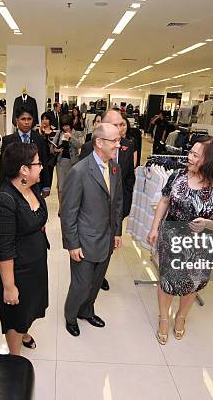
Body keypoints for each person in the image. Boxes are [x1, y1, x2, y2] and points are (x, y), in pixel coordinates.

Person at [147, 137, 213, 345]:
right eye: (191, 152)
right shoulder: (178, 175)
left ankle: (181, 317)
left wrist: (207, 223)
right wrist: (154, 227)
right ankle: (163, 317)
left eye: (196, 155)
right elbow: (164, 200)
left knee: (192, 283)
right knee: (167, 281)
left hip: (201, 246)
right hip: (172, 239)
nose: (189, 157)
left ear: (211, 161)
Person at [61, 123, 123, 337]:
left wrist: (117, 232)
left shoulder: (115, 166)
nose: (118, 144)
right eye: (114, 141)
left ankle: (87, 311)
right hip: (85, 241)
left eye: (118, 140)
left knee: (96, 283)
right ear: (99, 142)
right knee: (81, 284)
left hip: (106, 239)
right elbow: (68, 211)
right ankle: (70, 315)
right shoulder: (79, 171)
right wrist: (72, 244)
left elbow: (117, 202)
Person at [0, 142, 49, 355]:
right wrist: (9, 286)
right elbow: (4, 250)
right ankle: (15, 358)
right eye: (37, 163)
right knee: (15, 316)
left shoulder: (31, 188)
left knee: (30, 308)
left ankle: (24, 332)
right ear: (24, 169)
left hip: (35, 266)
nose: (41, 167)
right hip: (17, 271)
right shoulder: (4, 201)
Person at [79, 110, 136, 291]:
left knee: (109, 245)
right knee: (93, 244)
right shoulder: (89, 147)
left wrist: (124, 206)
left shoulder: (128, 146)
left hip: (115, 210)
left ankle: (99, 275)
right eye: (115, 125)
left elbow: (129, 178)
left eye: (122, 124)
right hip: (93, 211)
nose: (120, 129)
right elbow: (81, 181)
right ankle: (89, 276)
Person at [0, 109, 51, 197]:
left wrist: (46, 185)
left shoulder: (40, 140)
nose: (26, 122)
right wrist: (1, 188)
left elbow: (44, 163)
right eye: (23, 119)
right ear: (17, 121)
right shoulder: (8, 141)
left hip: (35, 185)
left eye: (29, 119)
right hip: (14, 184)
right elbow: (3, 167)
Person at [52, 115, 84, 206]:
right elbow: (52, 147)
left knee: (72, 185)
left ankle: (70, 205)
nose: (65, 128)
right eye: (63, 126)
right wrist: (56, 150)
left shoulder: (76, 133)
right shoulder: (59, 133)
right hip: (61, 162)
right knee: (61, 186)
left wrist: (70, 137)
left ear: (70, 124)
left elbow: (80, 145)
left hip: (74, 162)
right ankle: (61, 207)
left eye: (67, 125)